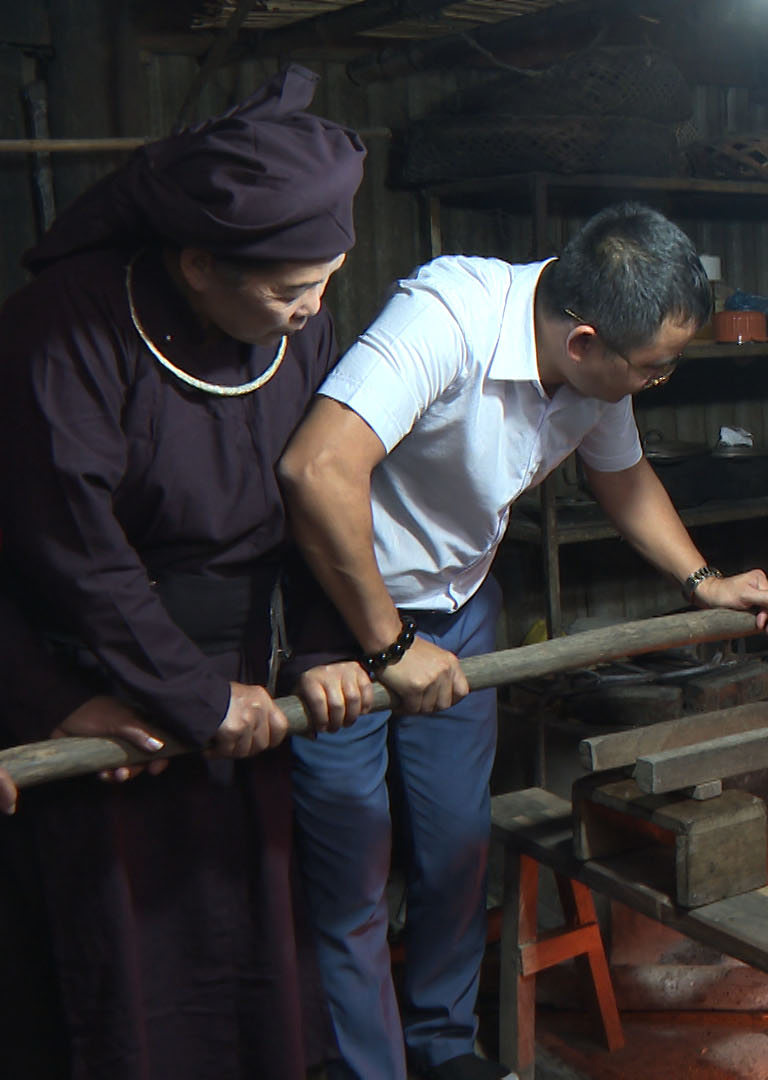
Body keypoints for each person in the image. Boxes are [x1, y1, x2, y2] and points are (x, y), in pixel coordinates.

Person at [278, 201, 768, 1080]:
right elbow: (315, 467)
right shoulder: (448, 316)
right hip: (343, 616)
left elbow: (623, 476)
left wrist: (703, 580)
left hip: (459, 612)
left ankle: (444, 1049)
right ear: (584, 341)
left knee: (454, 848)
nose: (655, 383)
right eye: (653, 369)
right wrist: (384, 643)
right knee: (352, 875)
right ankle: (367, 1070)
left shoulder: (598, 372)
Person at [0, 66, 374, 1079]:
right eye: (291, 290)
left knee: (258, 967)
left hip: (237, 692)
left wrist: (330, 647)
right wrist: (187, 695)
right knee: (123, 982)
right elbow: (70, 549)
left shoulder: (296, 331)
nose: (313, 312)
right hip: (103, 685)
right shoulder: (60, 329)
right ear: (198, 263)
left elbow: (309, 490)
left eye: (327, 283)